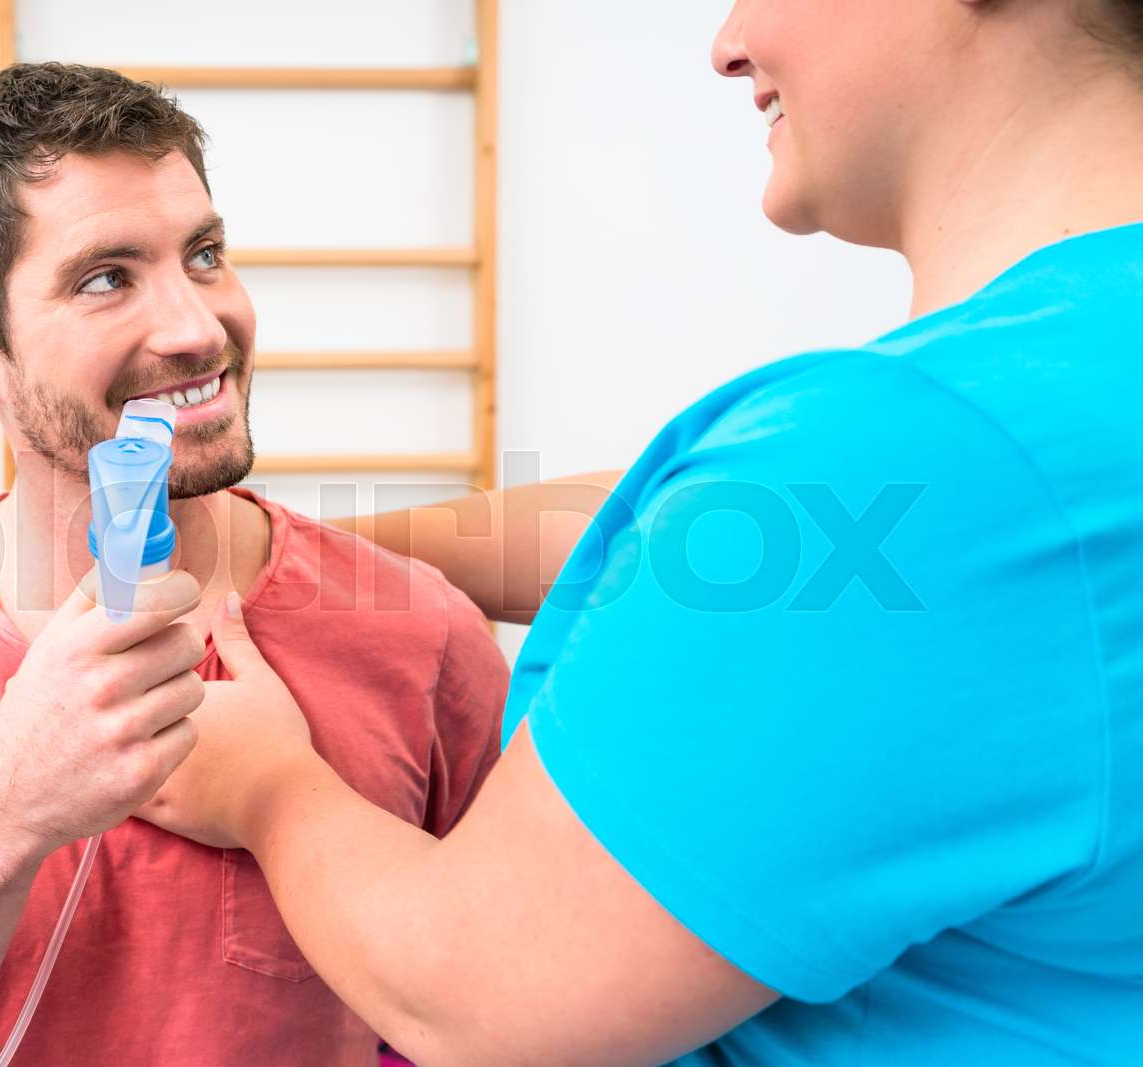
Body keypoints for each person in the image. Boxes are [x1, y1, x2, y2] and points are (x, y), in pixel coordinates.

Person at [139, 2, 1143, 1064]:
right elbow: (753, 549)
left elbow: (478, 988)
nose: (728, 44)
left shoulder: (915, 447)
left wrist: (269, 789)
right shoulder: (1036, 407)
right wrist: (297, 555)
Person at [0, 64, 507, 1066]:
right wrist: (4, 807)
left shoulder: (421, 631)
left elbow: (512, 1013)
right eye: (105, 279)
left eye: (204, 255)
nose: (198, 327)